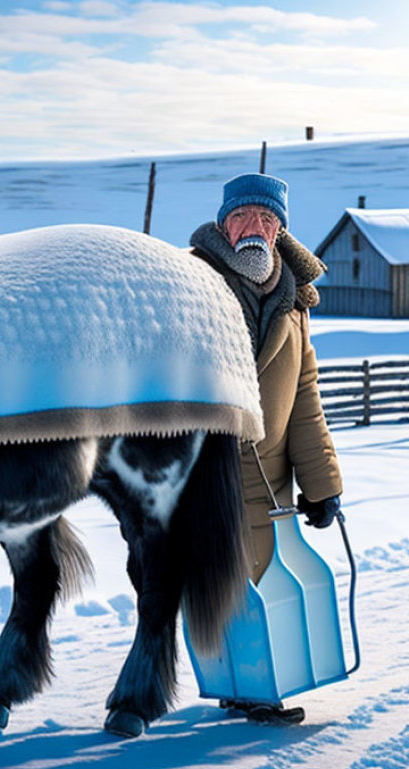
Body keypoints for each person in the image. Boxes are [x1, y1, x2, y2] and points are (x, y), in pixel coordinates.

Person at [189, 173, 343, 724]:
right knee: (211, 586)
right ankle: (235, 685)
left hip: (267, 477)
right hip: (198, 470)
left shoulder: (295, 303)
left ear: (279, 230)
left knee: (259, 584)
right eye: (242, 217)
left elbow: (305, 398)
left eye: (265, 218)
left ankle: (259, 690)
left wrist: (323, 485)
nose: (253, 227)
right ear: (223, 224)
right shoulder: (190, 283)